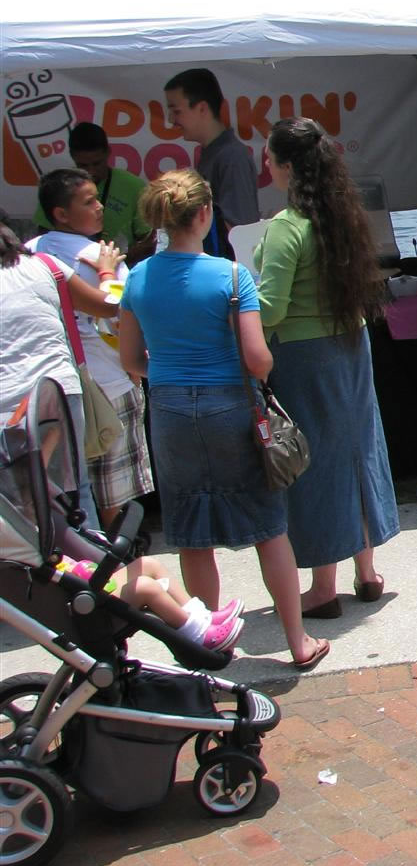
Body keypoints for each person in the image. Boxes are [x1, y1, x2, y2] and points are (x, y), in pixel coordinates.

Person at [119, 170, 329, 670]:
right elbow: (257, 359)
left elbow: (130, 359)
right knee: (268, 527)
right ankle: (297, 641)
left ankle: (207, 645)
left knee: (193, 535)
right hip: (230, 406)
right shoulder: (231, 277)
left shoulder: (138, 277)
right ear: (205, 214)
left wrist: (170, 372)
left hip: (170, 409)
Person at [257, 117, 401, 618]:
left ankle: (322, 587)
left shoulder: (287, 226)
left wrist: (235, 299)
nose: (266, 163)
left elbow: (270, 308)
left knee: (314, 464)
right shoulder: (344, 216)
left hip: (304, 356)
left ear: (285, 165)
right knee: (359, 451)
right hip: (351, 344)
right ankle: (367, 572)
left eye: (269, 156)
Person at [29, 167, 153, 529]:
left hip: (54, 393)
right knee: (116, 499)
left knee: (67, 495)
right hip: (112, 386)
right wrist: (108, 273)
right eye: (89, 202)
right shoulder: (102, 258)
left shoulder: (29, 253)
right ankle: (122, 558)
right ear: (61, 214)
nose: (100, 207)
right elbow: (121, 318)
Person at [0, 224, 120, 529]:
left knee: (13, 506)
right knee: (76, 491)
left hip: (6, 407)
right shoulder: (45, 265)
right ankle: (91, 556)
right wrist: (107, 273)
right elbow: (109, 305)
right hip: (59, 394)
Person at [55, 551, 245, 652]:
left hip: (85, 589)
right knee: (144, 586)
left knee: (148, 564)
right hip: (83, 609)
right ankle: (198, 635)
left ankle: (203, 617)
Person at [164, 68, 260, 256]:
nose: (171, 120)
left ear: (202, 108)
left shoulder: (232, 158)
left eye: (176, 111)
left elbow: (240, 232)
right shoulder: (213, 154)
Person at [32, 122, 154, 261]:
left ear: (108, 152)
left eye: (97, 163)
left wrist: (118, 261)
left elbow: (147, 240)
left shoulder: (133, 186)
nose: (91, 171)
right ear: (72, 155)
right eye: (83, 165)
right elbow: (44, 233)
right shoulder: (59, 187)